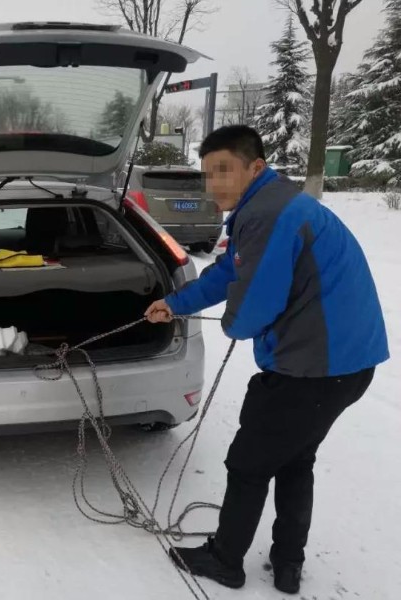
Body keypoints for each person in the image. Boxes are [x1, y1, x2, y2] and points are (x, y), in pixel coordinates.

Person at [145, 125, 389, 594]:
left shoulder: (267, 213)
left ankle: (225, 560)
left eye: (224, 170)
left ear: (255, 167)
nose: (214, 183)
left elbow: (254, 303)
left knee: (249, 464)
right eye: (207, 173)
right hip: (347, 366)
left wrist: (237, 326)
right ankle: (287, 563)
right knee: (295, 459)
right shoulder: (273, 204)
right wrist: (175, 304)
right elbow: (228, 272)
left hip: (312, 370)